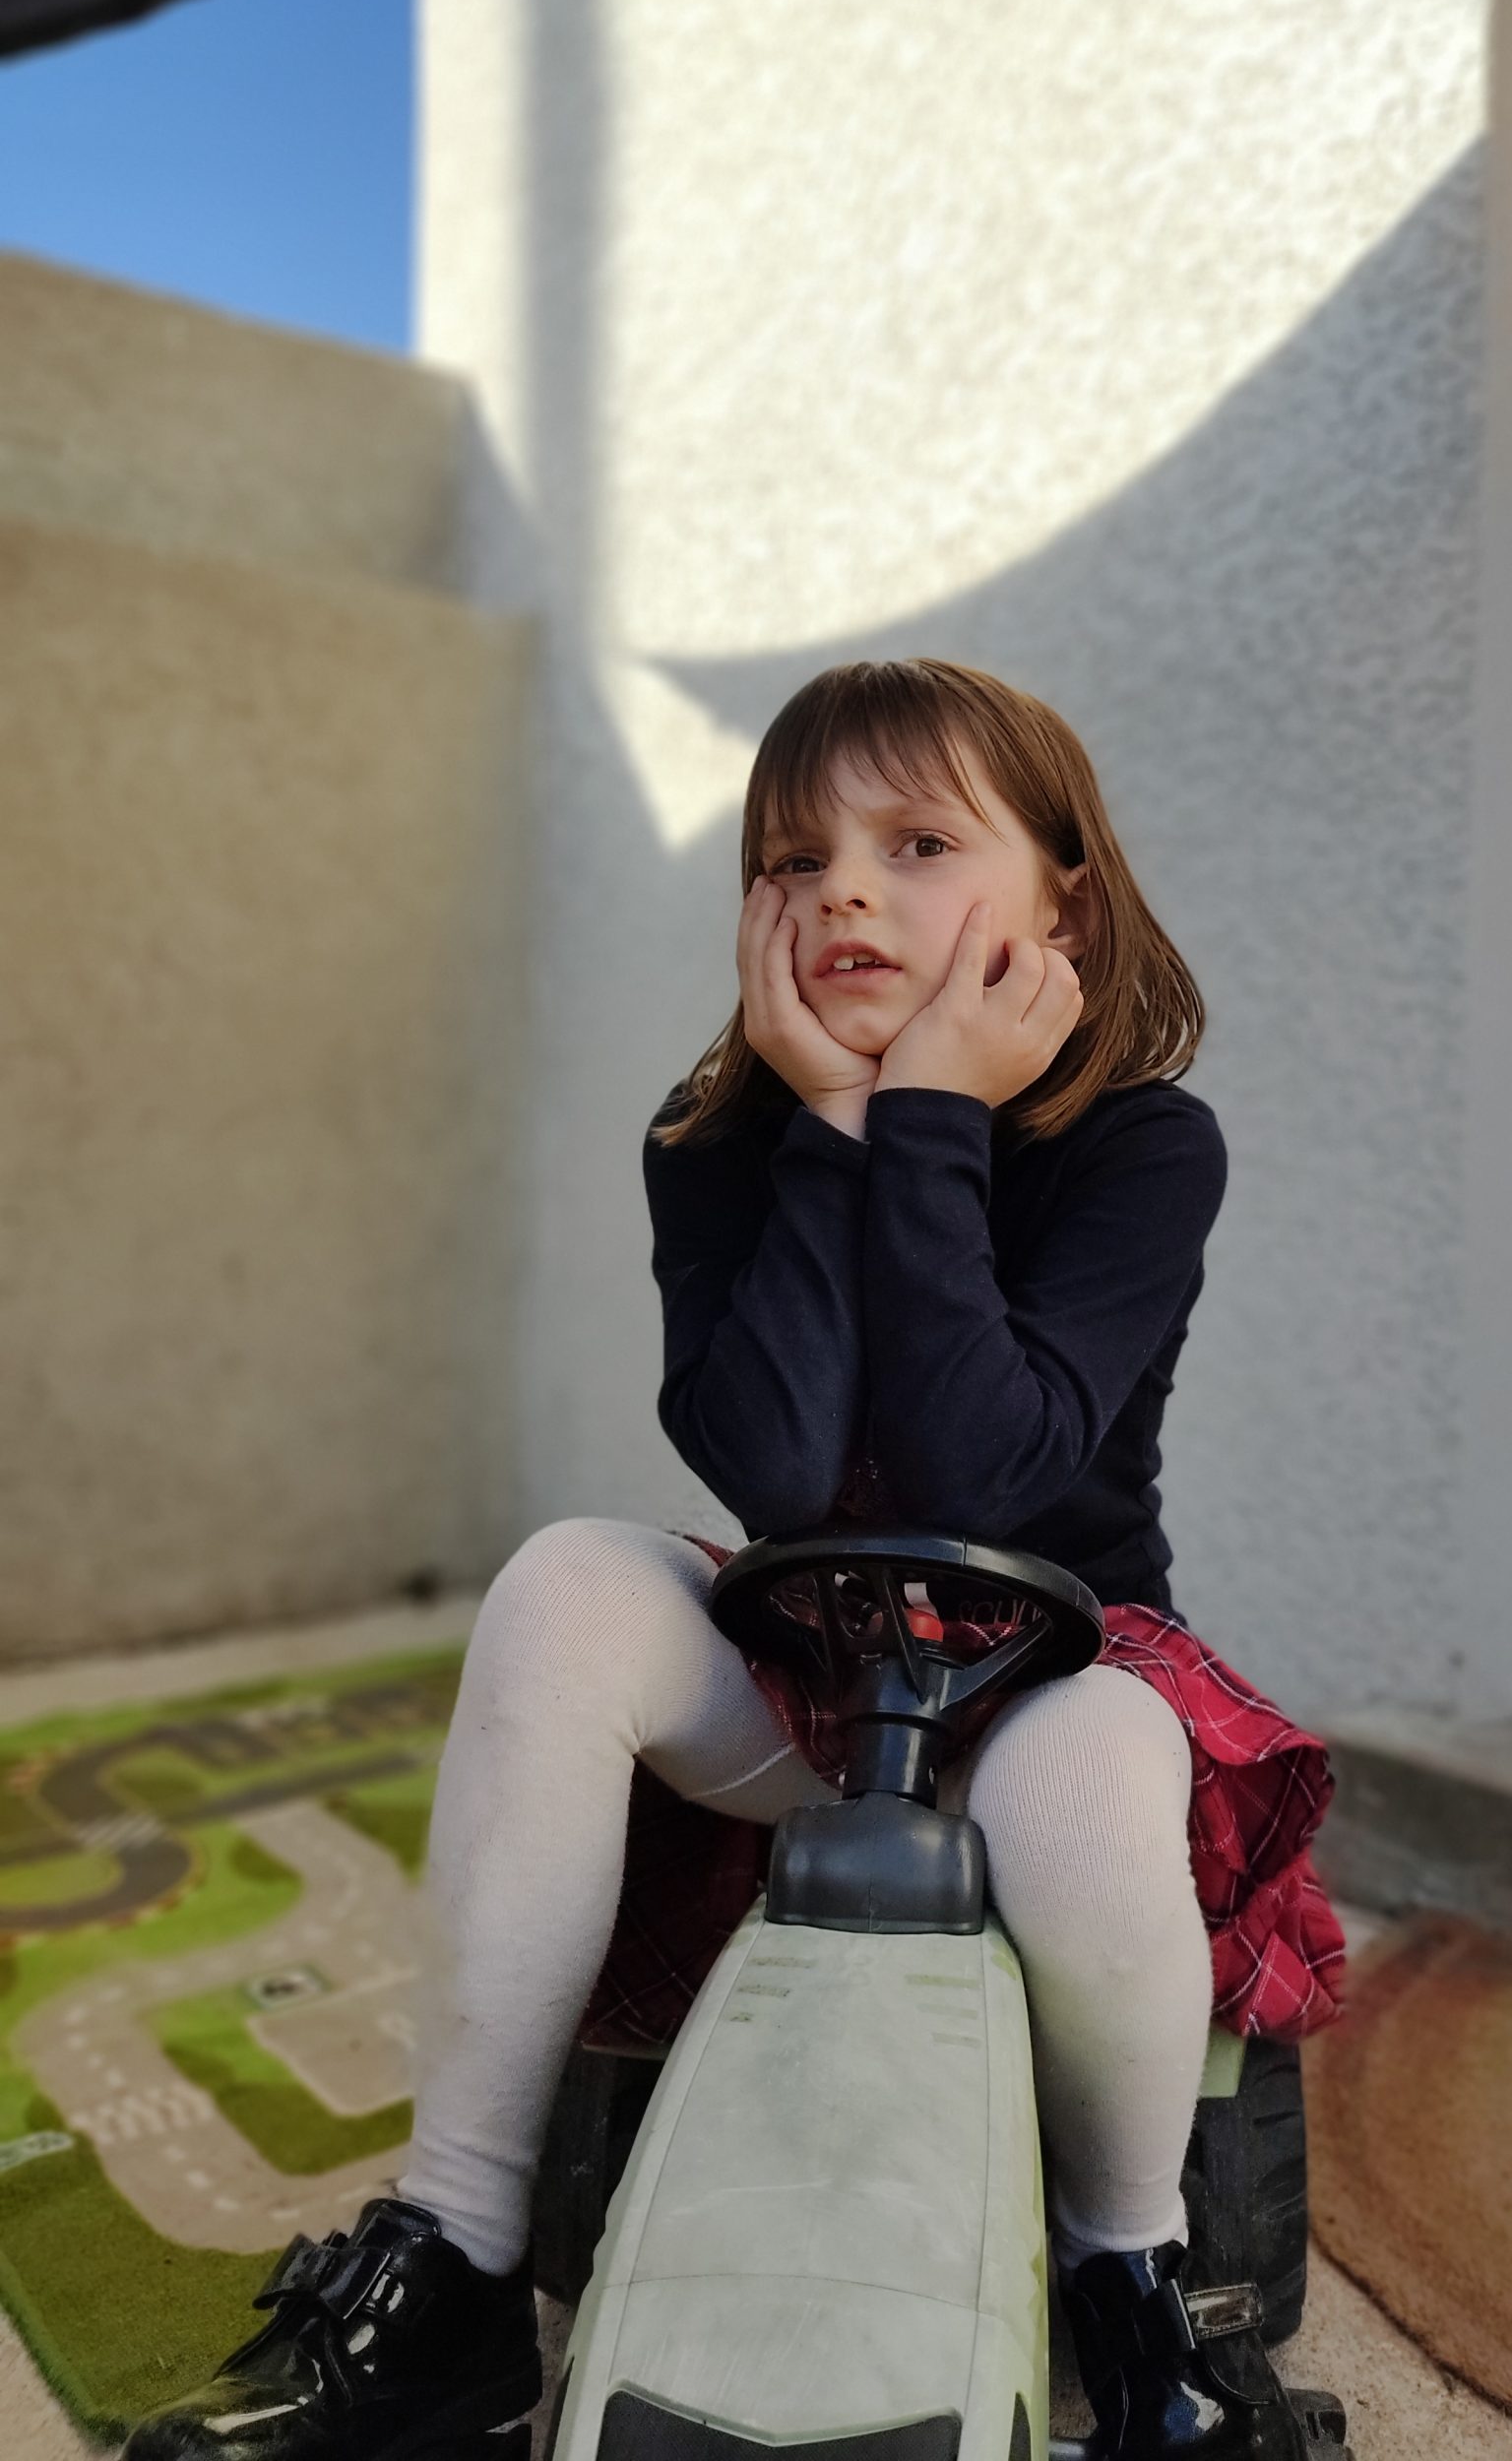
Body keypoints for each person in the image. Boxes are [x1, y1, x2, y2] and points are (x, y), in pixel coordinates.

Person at [124, 661, 1344, 2461]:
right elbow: (768, 1460)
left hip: (1050, 1670)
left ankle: (1130, 2281)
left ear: (1065, 904)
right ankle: (454, 2262)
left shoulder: (1143, 1147)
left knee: (1085, 1788)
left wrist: (933, 1113)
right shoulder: (714, 1146)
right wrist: (839, 1127)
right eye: (792, 858)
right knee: (566, 1585)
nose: (841, 892)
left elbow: (985, 1463)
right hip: (812, 1666)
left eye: (916, 845)